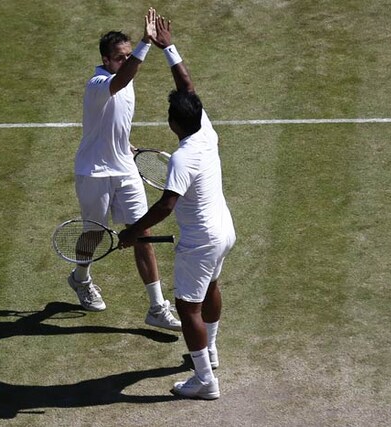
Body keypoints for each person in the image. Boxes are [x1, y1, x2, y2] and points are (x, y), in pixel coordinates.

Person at [118, 15, 236, 400]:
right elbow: (188, 87)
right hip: (224, 231)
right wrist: (168, 46)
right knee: (211, 287)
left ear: (172, 124)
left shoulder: (183, 158)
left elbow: (166, 205)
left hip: (200, 241)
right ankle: (212, 353)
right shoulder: (205, 130)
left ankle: (205, 381)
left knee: (188, 308)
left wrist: (132, 232)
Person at [69, 8, 181, 332]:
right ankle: (81, 279)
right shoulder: (98, 83)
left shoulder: (125, 80)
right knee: (94, 233)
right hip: (93, 171)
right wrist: (147, 43)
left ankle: (157, 307)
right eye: (121, 56)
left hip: (124, 167)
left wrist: (126, 144)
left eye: (129, 55)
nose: (127, 60)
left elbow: (113, 120)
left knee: (142, 232)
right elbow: (120, 80)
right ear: (106, 60)